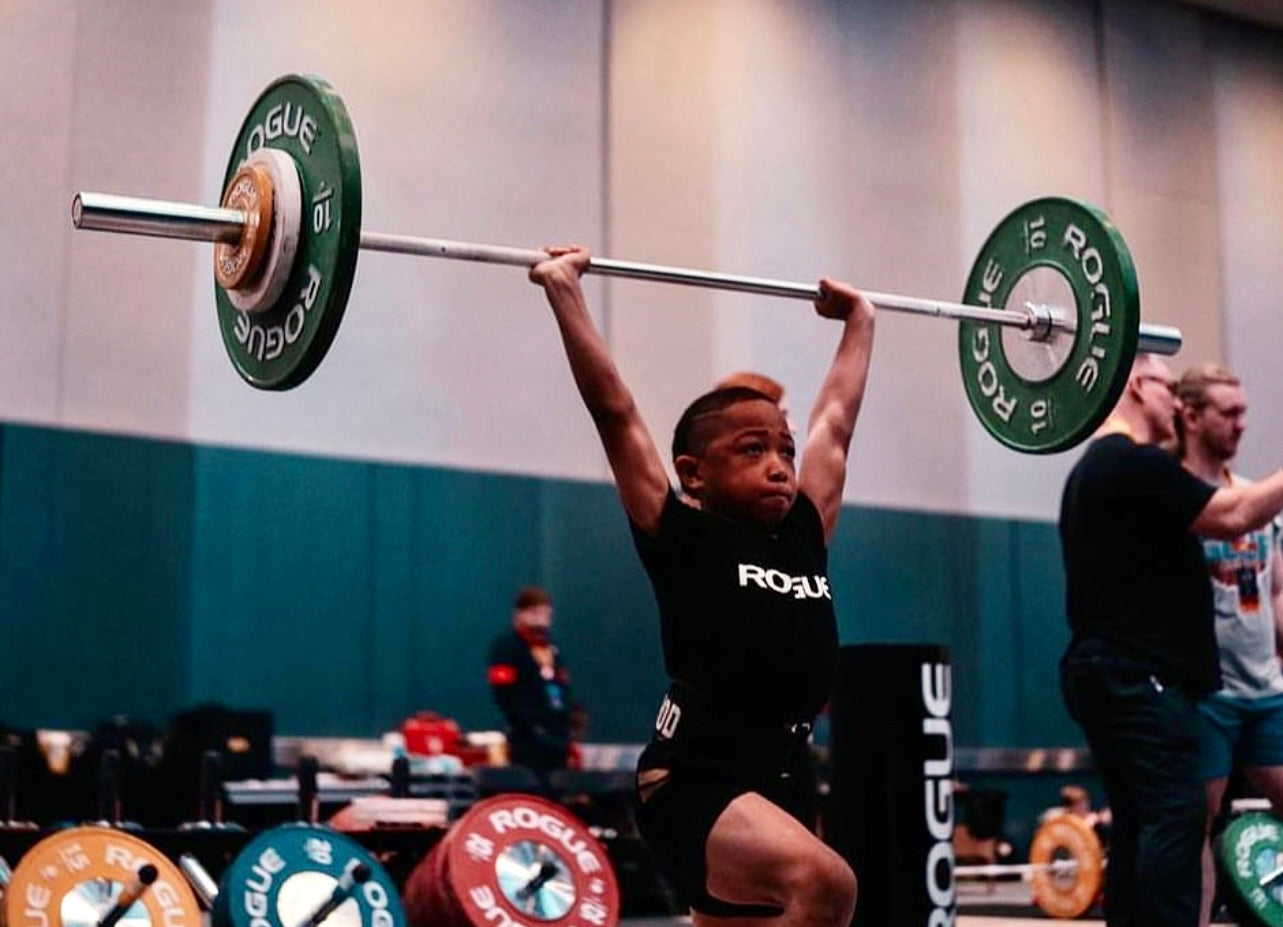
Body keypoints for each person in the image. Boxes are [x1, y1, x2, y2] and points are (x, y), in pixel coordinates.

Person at [529, 245, 874, 927]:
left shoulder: (805, 531)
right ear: (694, 472)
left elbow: (834, 421)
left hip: (778, 782)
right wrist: (563, 290)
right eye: (752, 450)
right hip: (692, 784)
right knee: (827, 885)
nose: (778, 465)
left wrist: (859, 321)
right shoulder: (680, 535)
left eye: (782, 449)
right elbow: (615, 411)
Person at [1058, 352, 1283, 927]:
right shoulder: (1130, 463)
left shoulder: (1100, 470)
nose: (1174, 397)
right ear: (1137, 385)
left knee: (1142, 821)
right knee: (1176, 816)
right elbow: (1235, 516)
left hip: (1117, 673)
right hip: (1138, 677)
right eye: (1165, 385)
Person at [1175, 364, 1283, 927]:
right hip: (1206, 695)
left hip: (1266, 690)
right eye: (1229, 412)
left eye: (1245, 411)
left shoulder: (1254, 501)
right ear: (1192, 417)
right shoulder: (1178, 500)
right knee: (1198, 823)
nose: (1243, 423)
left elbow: (1277, 591)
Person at [486, 586, 577, 779]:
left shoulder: (551, 649)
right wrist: (529, 723)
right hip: (527, 735)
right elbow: (503, 692)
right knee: (532, 782)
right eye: (535, 613)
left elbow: (562, 685)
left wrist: (568, 722)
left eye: (545, 613)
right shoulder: (506, 647)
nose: (541, 619)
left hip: (557, 732)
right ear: (520, 614)